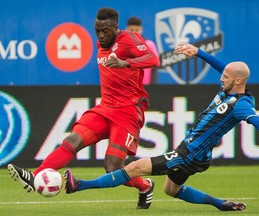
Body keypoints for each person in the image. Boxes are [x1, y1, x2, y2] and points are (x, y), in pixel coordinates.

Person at [64, 43, 259, 211]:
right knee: (171, 190)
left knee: (135, 167)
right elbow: (225, 68)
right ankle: (221, 204)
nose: (221, 79)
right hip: (194, 152)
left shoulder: (241, 105)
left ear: (238, 81)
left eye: (226, 77)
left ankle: (79, 185)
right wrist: (198, 52)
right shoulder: (230, 88)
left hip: (189, 154)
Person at [7, 7, 159, 209]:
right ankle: (34, 177)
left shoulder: (129, 38)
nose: (101, 35)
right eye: (97, 31)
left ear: (115, 27)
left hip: (127, 111)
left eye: (105, 31)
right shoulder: (100, 42)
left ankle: (145, 185)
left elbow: (154, 59)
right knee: (72, 140)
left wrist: (126, 63)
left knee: (112, 167)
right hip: (105, 108)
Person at [126, 16, 159, 85]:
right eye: (131, 30)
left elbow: (154, 68)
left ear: (141, 30)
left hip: (145, 87)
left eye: (137, 30)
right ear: (126, 30)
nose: (134, 32)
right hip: (126, 87)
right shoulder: (121, 46)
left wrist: (154, 87)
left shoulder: (149, 45)